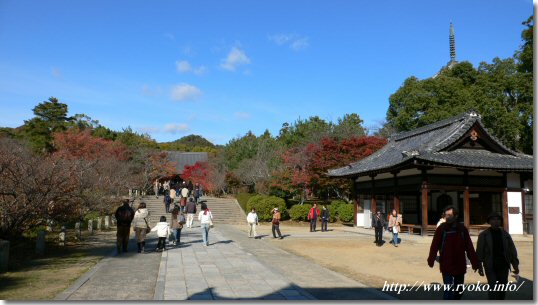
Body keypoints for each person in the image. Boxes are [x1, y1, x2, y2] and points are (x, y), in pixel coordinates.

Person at [427, 206, 483, 300]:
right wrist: (431, 259)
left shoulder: (462, 229)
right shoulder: (441, 229)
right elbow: (434, 246)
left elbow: (469, 247)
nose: (447, 217)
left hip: (459, 264)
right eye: (446, 215)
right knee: (448, 290)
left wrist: (474, 262)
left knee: (459, 290)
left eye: (450, 215)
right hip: (446, 264)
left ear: (456, 216)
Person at [476, 212, 519, 300]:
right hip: (490, 265)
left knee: (502, 287)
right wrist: (479, 266)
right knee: (493, 288)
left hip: (503, 265)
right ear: (489, 222)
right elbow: (479, 252)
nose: (496, 221)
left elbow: (512, 250)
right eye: (493, 219)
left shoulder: (505, 234)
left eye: (498, 219)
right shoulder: (484, 235)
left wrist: (515, 264)